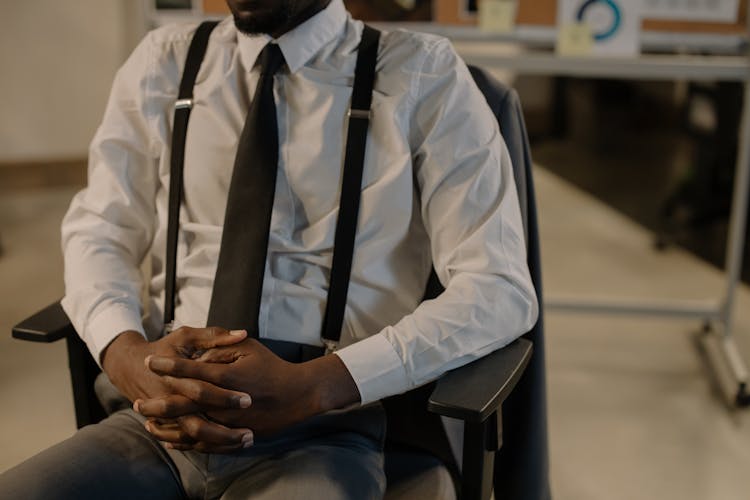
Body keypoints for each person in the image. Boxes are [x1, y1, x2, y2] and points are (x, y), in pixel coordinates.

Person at [0, 0, 538, 498]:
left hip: (327, 429)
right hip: (155, 418)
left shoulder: (424, 74)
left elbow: (498, 288)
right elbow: (99, 229)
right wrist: (125, 355)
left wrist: (318, 387)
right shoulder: (164, 61)